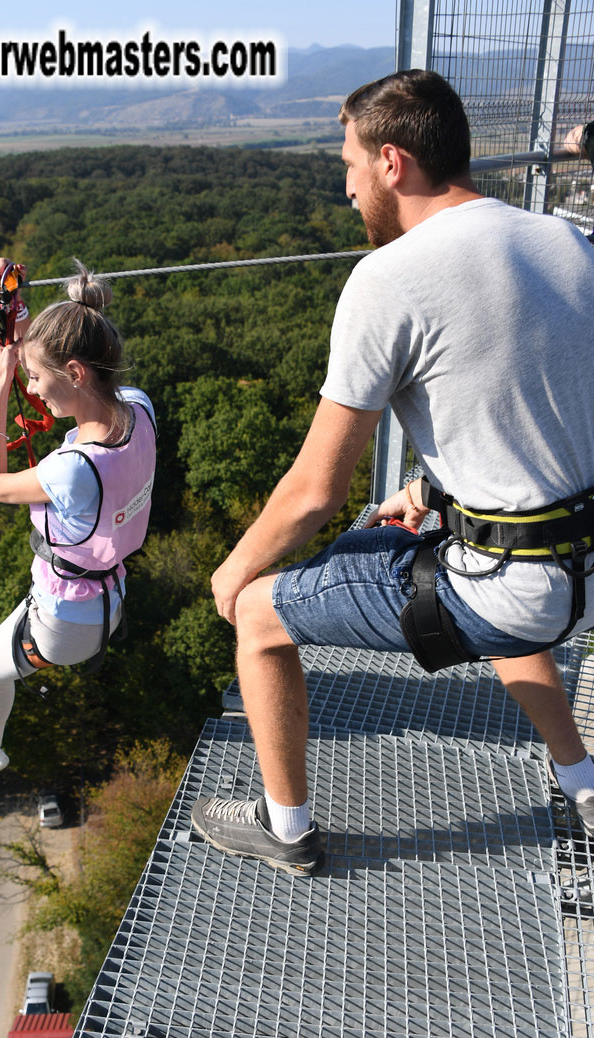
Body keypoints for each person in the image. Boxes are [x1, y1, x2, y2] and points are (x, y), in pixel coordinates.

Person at [191, 69, 594, 873]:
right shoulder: (565, 240)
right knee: (490, 572)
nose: (345, 188)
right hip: (583, 572)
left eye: (349, 165)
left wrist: (232, 573)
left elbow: (314, 494)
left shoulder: (388, 279)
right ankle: (583, 779)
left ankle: (286, 826)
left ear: (392, 162)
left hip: (515, 590)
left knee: (261, 615)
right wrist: (435, 492)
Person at [0, 258, 157, 817]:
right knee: (0, 662)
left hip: (65, 620)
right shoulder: (141, 410)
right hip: (104, 600)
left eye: (39, 377)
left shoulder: (71, 468)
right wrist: (19, 338)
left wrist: (1, 381)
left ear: (77, 373)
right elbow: (83, 376)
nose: (35, 389)